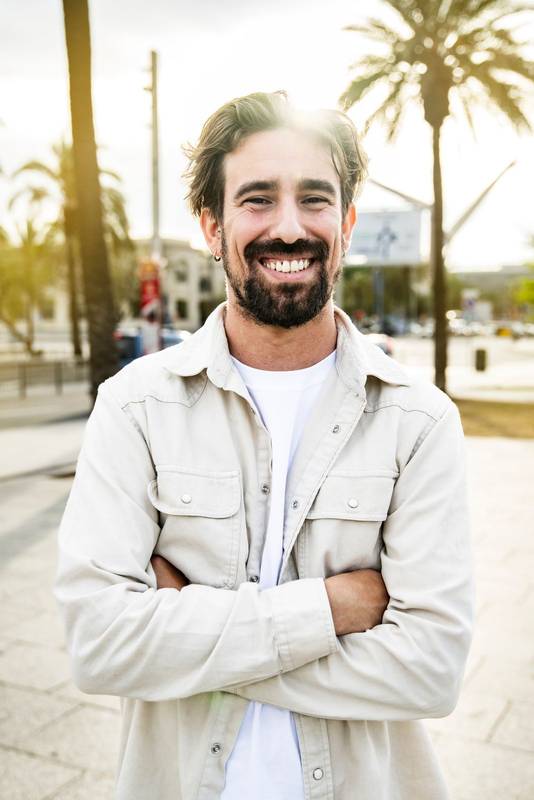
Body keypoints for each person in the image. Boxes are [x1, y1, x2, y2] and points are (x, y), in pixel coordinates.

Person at [55, 91, 474, 800]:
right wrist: (335, 610)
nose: (289, 227)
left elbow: (430, 670)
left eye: (314, 200)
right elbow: (99, 645)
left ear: (345, 222)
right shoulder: (135, 407)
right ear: (211, 228)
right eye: (257, 200)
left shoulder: (420, 420)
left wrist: (187, 632)